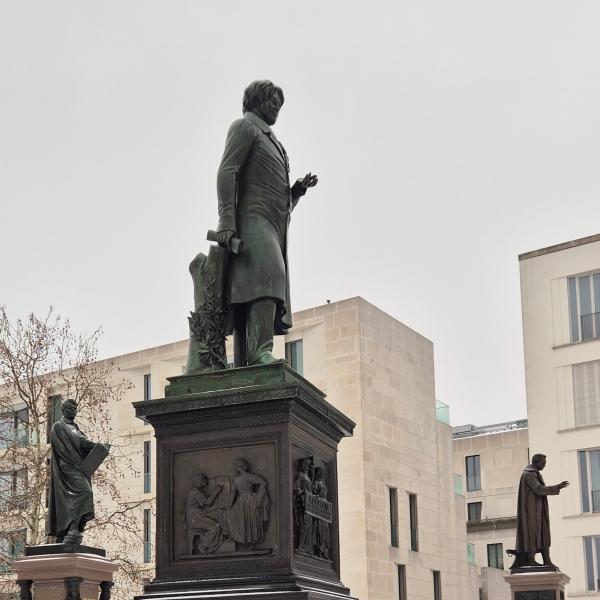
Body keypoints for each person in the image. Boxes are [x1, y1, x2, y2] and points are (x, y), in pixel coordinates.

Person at [216, 80, 318, 367]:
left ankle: (246, 362)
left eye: (279, 104)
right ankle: (260, 352)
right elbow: (227, 171)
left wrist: (296, 192)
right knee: (268, 274)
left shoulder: (274, 143)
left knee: (254, 286)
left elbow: (281, 206)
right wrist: (226, 219)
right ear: (257, 100)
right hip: (251, 221)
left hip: (272, 225)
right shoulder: (245, 127)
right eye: (273, 101)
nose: (277, 107)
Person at [47, 399, 110, 544]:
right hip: (67, 468)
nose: (73, 411)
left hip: (77, 467)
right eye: (70, 408)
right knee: (85, 492)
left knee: (80, 495)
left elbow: (81, 444)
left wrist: (97, 450)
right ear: (63, 410)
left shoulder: (75, 427)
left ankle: (70, 530)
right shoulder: (60, 426)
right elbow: (80, 441)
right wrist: (95, 445)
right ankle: (72, 529)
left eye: (75, 409)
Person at [514, 453, 569, 568]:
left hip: (538, 509)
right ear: (536, 462)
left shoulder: (534, 474)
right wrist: (558, 486)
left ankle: (547, 560)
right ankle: (530, 560)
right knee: (532, 532)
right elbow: (539, 489)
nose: (544, 465)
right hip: (531, 511)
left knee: (543, 531)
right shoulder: (529, 474)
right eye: (543, 463)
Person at [219, 459, 270, 550]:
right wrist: (230, 505)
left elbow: (263, 482)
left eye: (236, 466)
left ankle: (252, 543)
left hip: (249, 499)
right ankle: (240, 539)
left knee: (250, 520)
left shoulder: (249, 476)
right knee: (229, 515)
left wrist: (259, 495)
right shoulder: (236, 479)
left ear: (240, 467)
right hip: (240, 501)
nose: (235, 467)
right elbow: (233, 492)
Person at [182, 471, 225, 554]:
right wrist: (217, 491)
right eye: (204, 480)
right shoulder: (196, 493)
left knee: (216, 516)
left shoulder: (192, 492)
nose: (206, 481)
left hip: (193, 516)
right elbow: (208, 502)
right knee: (215, 527)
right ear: (200, 482)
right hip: (195, 517)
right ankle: (203, 545)